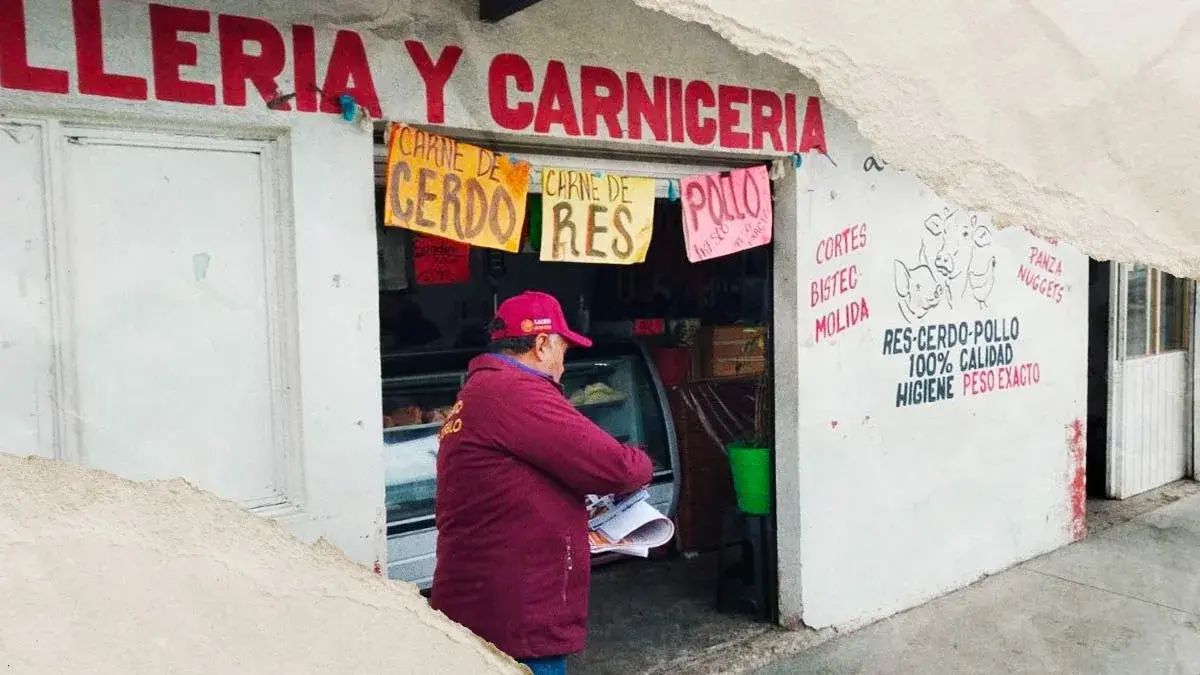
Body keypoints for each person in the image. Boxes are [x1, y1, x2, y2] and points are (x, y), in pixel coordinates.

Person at [430, 291, 653, 675]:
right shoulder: (517, 391)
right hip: (514, 612)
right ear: (541, 343)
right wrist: (643, 458)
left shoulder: (483, 388)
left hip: (485, 600)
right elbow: (617, 468)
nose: (563, 367)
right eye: (563, 352)